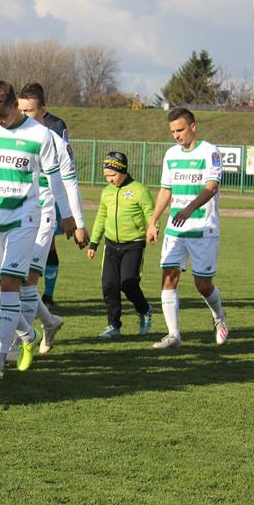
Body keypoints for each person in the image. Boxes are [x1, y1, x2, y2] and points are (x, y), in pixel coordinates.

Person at [0, 80, 77, 383]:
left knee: (11, 282)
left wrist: (68, 216)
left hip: (26, 217)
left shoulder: (41, 135)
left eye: (2, 115)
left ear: (15, 105)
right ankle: (28, 334)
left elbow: (55, 179)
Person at [146, 107, 228, 349]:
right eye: (173, 131)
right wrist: (153, 221)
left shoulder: (210, 152)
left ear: (193, 126)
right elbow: (166, 190)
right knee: (168, 278)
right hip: (175, 229)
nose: (176, 135)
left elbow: (211, 187)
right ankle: (174, 335)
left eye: (180, 130)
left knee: (202, 284)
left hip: (203, 228)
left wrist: (189, 209)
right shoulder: (171, 154)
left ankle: (219, 317)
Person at [16, 82, 87, 354]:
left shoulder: (57, 143)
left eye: (29, 110)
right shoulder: (14, 138)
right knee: (12, 281)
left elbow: (70, 184)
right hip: (17, 215)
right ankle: (49, 322)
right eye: (20, 109)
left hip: (44, 216)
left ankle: (18, 345)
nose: (23, 115)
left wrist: (78, 222)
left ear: (43, 110)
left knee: (27, 280)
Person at [88, 152, 154, 338]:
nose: (109, 179)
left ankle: (145, 310)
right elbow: (101, 217)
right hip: (111, 245)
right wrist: (94, 242)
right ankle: (113, 326)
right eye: (106, 176)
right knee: (109, 285)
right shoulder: (107, 192)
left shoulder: (139, 190)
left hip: (134, 244)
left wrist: (153, 228)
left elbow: (150, 212)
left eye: (113, 175)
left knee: (128, 283)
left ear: (123, 170)